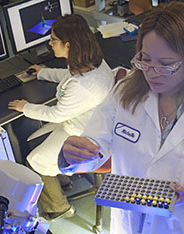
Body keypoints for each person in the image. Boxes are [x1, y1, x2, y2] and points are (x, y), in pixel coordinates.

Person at [60, 2, 184, 233]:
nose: (152, 72)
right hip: (129, 222)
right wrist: (73, 156)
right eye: (146, 59)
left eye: (166, 64)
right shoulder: (126, 91)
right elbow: (95, 147)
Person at [8, 14, 115, 221]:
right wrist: (43, 72)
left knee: (34, 162)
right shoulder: (93, 63)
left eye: (53, 40)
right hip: (83, 124)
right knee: (34, 141)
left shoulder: (82, 86)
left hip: (84, 136)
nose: (50, 44)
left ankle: (58, 208)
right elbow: (68, 76)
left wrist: (26, 107)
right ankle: (61, 181)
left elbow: (55, 114)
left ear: (67, 45)